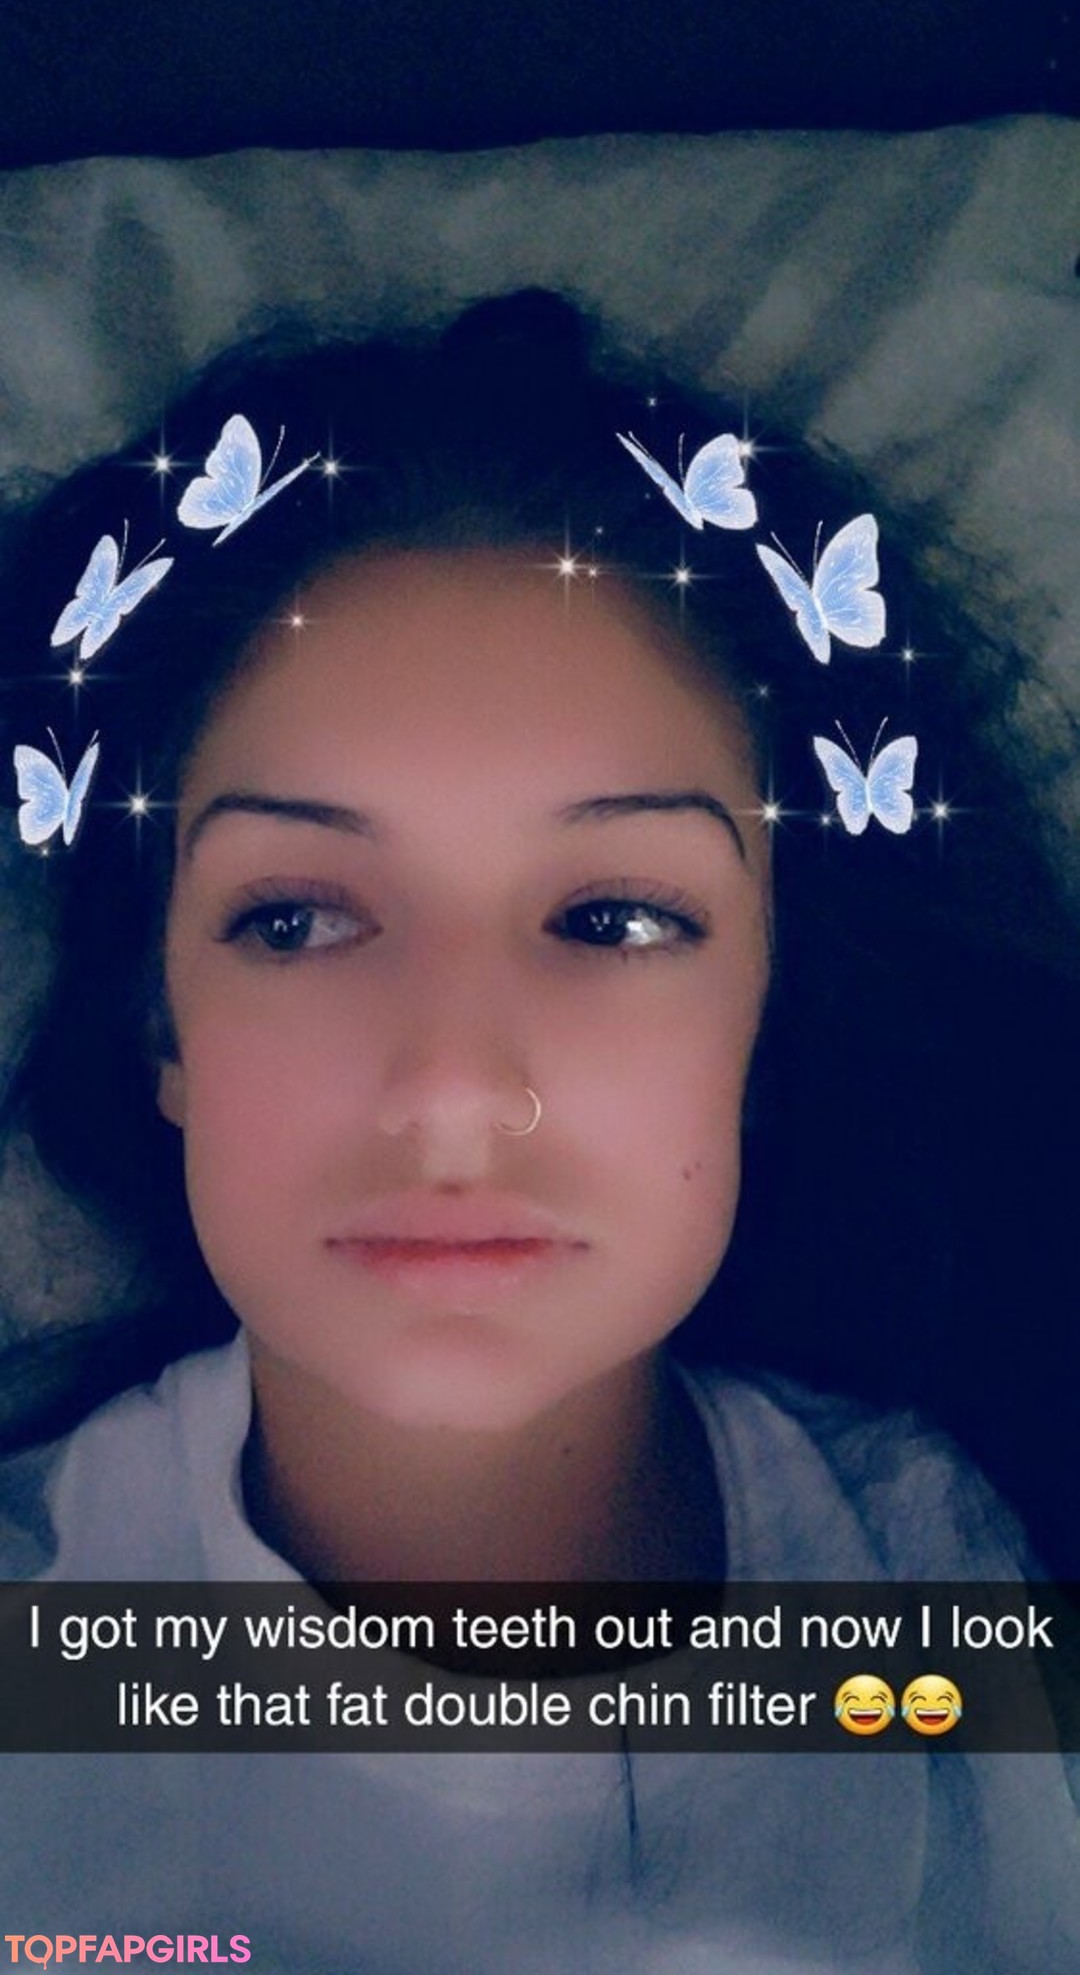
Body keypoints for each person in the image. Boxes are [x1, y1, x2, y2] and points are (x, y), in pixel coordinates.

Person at [0, 290, 1077, 1971]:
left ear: (769, 1009)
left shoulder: (975, 1583)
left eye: (614, 919)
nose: (450, 1090)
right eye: (294, 919)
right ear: (159, 1025)